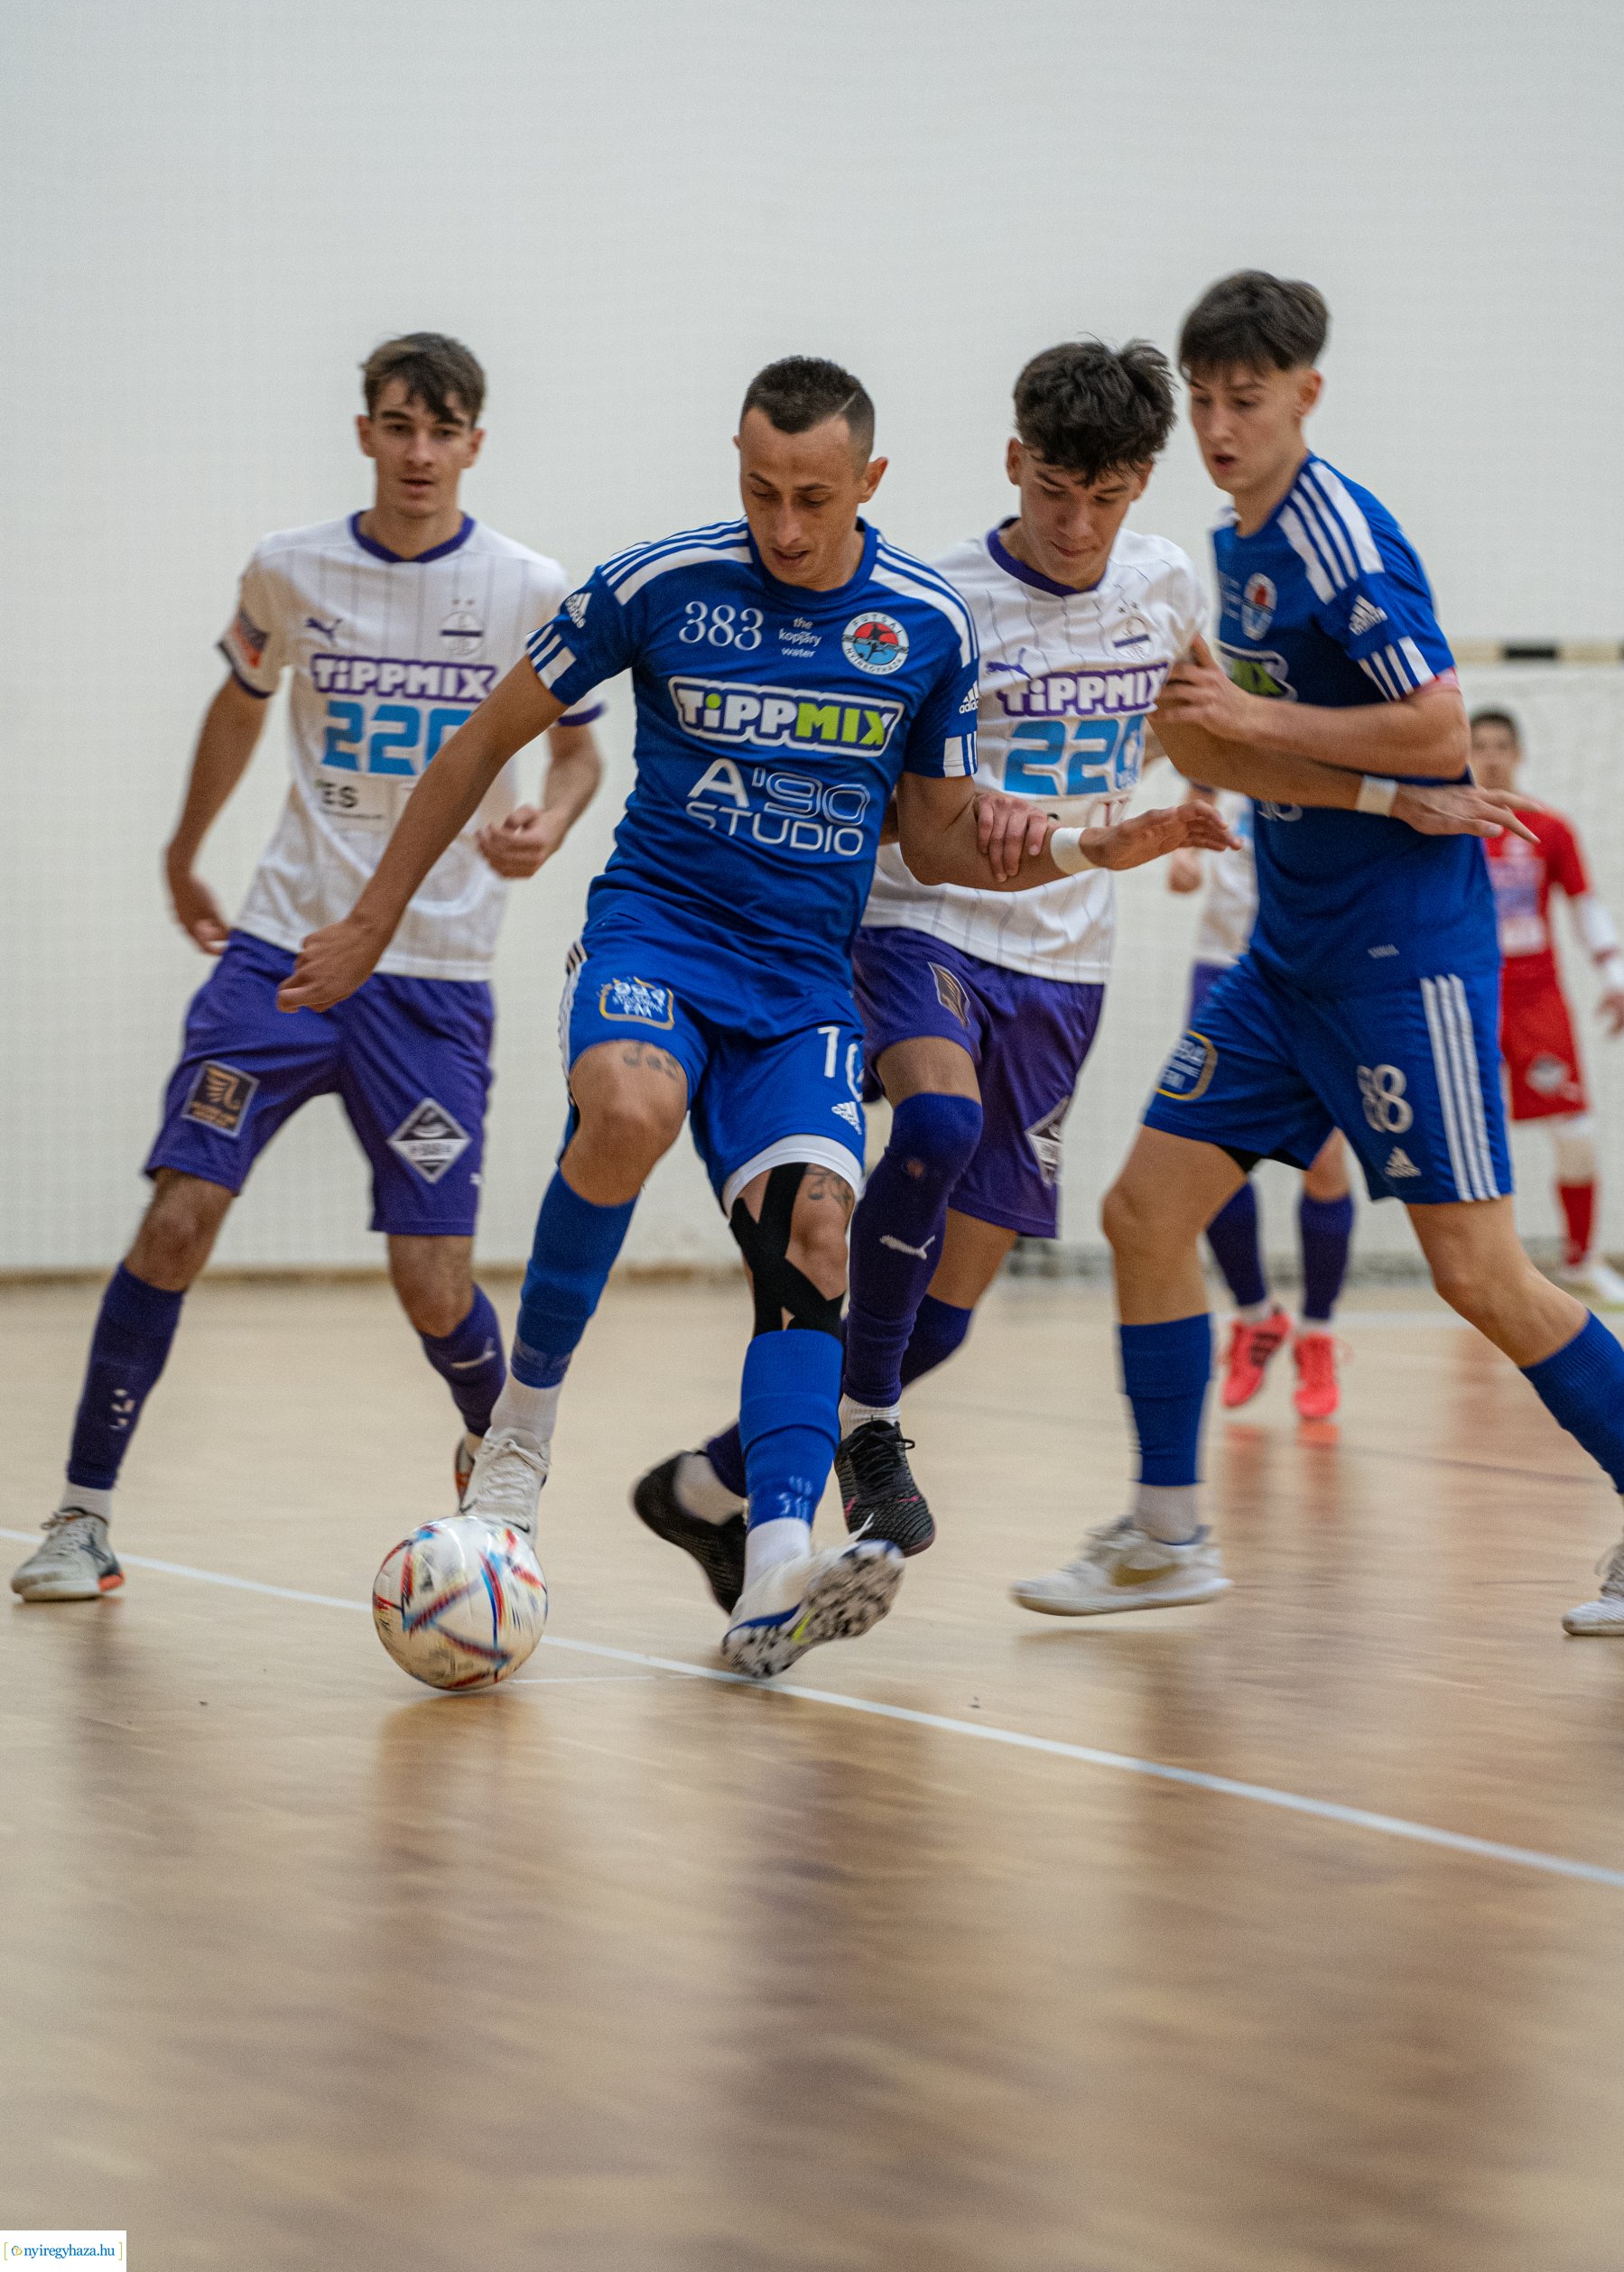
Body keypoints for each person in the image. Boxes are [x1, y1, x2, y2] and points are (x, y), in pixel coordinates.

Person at [278, 357, 1239, 1679]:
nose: (784, 526)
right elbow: (480, 741)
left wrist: (1088, 844)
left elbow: (945, 840)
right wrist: (378, 918)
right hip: (658, 937)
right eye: (760, 490)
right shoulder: (659, 585)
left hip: (802, 981)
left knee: (820, 1232)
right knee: (629, 1106)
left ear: (870, 485)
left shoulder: (923, 626)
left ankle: (777, 1563)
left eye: (814, 497)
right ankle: (514, 1456)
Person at [1013, 270, 1624, 1639]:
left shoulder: (1337, 537)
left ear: (1306, 397)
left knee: (1478, 1275)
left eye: (1249, 400)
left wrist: (1277, 737)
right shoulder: (1239, 537)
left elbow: (1441, 729)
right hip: (1289, 956)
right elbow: (1242, 733)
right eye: (1208, 401)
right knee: (1144, 1215)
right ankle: (1167, 1532)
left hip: (1407, 960)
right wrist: (1162, 746)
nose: (1223, 426)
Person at [11, 334, 603, 1603]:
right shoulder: (291, 571)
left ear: (476, 446)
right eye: (398, 426)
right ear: (365, 433)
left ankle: (494, 1481)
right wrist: (182, 850)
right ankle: (82, 1516)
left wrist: (546, 823)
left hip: (434, 976)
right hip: (281, 954)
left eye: (443, 433)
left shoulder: (528, 587)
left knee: (432, 1278)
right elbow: (239, 702)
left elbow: (575, 754)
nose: (420, 454)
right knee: (177, 1219)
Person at [636, 338, 1217, 1592]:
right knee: (937, 1119)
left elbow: (1179, 719)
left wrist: (1200, 780)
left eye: (1106, 498)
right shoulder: (939, 598)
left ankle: (710, 1484)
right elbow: (881, 791)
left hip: (1067, 963)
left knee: (950, 1301)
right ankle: (859, 1441)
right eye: (1054, 491)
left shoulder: (1169, 583)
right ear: (1014, 463)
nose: (1077, 523)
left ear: (1143, 487)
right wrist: (976, 813)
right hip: (922, 923)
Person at [1168, 800, 1356, 1419]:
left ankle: (1317, 1333)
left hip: (1313, 972)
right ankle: (1255, 1317)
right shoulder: (1215, 754)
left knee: (1326, 1160)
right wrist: (1182, 855)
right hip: (1223, 968)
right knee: (1205, 1157)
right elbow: (1181, 824)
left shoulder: (1326, 746)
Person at [1468, 707, 1624, 1309]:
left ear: (1518, 754)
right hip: (1470, 996)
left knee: (1576, 1132)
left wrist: (1614, 974)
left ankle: (1581, 1257)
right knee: (1474, 1136)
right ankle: (1484, 1266)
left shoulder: (1550, 828)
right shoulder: (1448, 828)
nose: (1490, 756)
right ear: (1465, 753)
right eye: (1479, 745)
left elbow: (1584, 903)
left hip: (1538, 997)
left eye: (1500, 746)